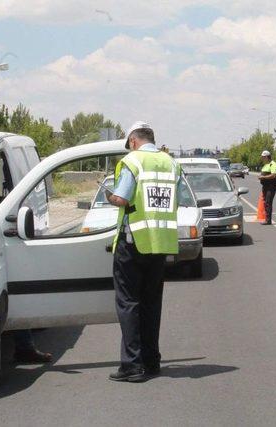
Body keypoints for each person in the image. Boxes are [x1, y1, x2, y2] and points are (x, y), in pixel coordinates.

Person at [104, 121, 180, 382]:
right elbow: (175, 200)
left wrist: (108, 196)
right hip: (159, 243)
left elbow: (122, 199)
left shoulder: (132, 162)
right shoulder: (171, 163)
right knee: (151, 304)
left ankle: (132, 365)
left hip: (132, 241)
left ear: (133, 141)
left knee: (128, 303)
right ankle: (151, 360)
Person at [258, 150, 276, 225]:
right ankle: (267, 219)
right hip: (265, 186)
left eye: (263, 157)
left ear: (267, 157)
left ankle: (268, 220)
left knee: (268, 202)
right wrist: (261, 177)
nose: (262, 158)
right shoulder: (265, 165)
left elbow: (273, 175)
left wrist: (263, 177)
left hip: (271, 186)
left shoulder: (273, 164)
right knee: (265, 202)